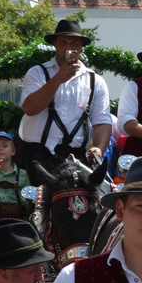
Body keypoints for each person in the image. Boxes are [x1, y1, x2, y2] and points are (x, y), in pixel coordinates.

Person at [18, 18, 113, 181]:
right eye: (63, 42)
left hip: (76, 157)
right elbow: (30, 108)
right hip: (39, 154)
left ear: (81, 47)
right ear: (55, 44)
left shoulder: (95, 80)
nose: (69, 47)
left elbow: (102, 120)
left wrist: (98, 148)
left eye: (74, 43)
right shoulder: (37, 73)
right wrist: (58, 78)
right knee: (39, 196)